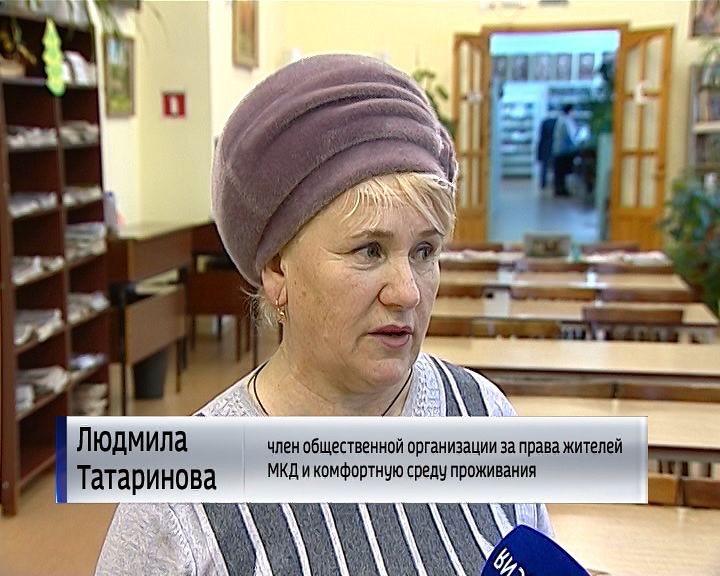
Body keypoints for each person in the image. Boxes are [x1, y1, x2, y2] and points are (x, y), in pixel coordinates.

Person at [95, 54, 553, 575]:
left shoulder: (482, 417)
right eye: (369, 251)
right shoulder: (179, 507)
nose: (407, 292)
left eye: (424, 252)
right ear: (277, 270)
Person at [552, 104, 578, 197]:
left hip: (560, 150)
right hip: (563, 150)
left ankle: (560, 189)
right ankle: (560, 190)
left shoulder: (562, 120)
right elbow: (571, 136)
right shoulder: (566, 121)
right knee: (561, 172)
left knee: (560, 172)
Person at [536, 115, 557, 190]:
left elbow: (541, 137)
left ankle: (543, 183)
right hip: (553, 146)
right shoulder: (556, 122)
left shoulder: (544, 123)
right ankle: (554, 183)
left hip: (545, 146)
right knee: (554, 166)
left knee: (544, 166)